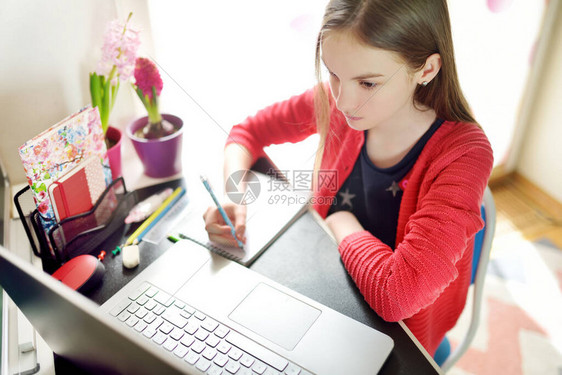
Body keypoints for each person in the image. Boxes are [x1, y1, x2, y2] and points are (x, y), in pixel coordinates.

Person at [203, 0, 493, 357]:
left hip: (401, 335)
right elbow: (246, 133)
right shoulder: (337, 101)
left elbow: (398, 296)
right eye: (333, 73)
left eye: (367, 83)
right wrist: (232, 196)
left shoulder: (464, 154)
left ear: (427, 69)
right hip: (331, 287)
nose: (341, 101)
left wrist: (342, 222)